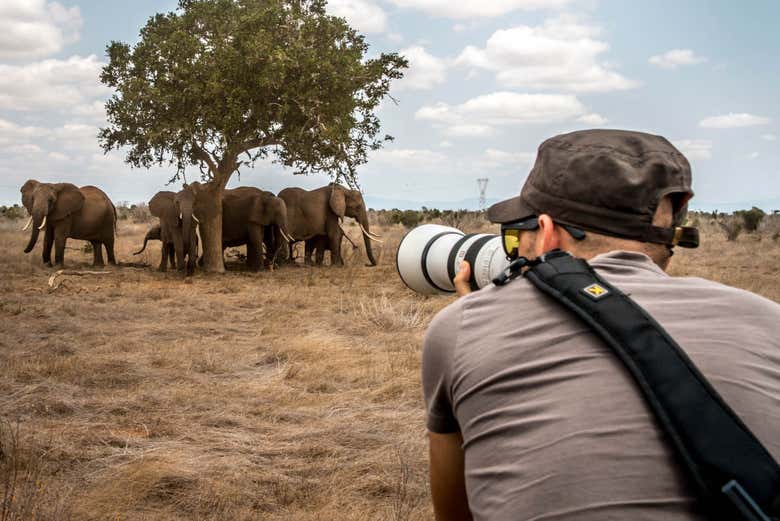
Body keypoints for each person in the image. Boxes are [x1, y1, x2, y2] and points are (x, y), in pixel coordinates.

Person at [421, 129, 780, 521]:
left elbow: (456, 514)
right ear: (668, 247)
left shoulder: (460, 329)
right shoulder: (768, 320)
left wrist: (473, 318)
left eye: (516, 240)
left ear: (547, 235)